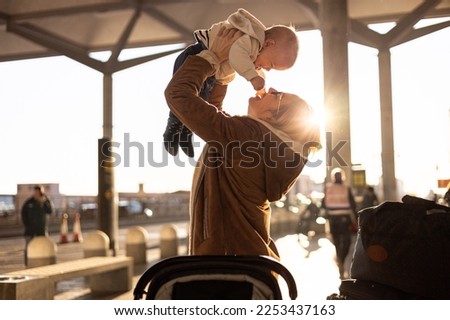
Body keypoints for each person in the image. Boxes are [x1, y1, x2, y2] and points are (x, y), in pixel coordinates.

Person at [164, 27, 320, 261]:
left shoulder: (248, 139)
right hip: (245, 261)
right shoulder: (260, 145)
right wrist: (224, 73)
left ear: (273, 119)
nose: (272, 88)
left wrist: (212, 58)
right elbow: (216, 119)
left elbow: (178, 94)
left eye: (278, 96)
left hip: (225, 265)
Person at [163, 8, 299, 158]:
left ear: (271, 119)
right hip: (197, 54)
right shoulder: (252, 41)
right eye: (271, 65)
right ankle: (174, 130)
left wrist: (217, 61)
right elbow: (237, 56)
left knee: (199, 100)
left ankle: (185, 132)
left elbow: (210, 112)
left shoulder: (246, 140)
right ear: (268, 44)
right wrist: (252, 77)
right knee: (196, 102)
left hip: (207, 65)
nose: (267, 69)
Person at [322, 168, 357, 278]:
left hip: (333, 219)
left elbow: (323, 204)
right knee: (346, 241)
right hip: (344, 219)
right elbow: (353, 204)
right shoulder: (346, 188)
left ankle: (340, 262)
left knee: (337, 243)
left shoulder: (329, 188)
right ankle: (341, 261)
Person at [21, 185, 53, 265]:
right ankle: (27, 263)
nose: (36, 194)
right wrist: (26, 224)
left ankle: (43, 262)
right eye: (35, 192)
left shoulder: (45, 201)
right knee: (28, 247)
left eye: (38, 192)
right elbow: (23, 213)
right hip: (30, 230)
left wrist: (45, 202)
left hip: (41, 229)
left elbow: (50, 211)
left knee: (43, 246)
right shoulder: (29, 202)